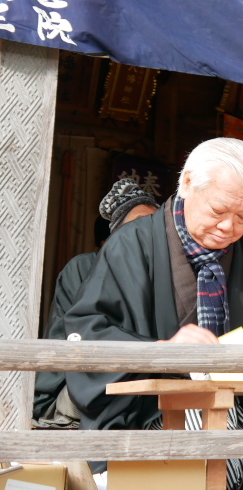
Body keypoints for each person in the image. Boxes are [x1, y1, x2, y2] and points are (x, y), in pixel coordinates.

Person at [64, 138, 243, 490]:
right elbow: (86, 330)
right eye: (218, 211)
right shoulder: (131, 245)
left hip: (233, 406)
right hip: (146, 412)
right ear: (186, 184)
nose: (229, 227)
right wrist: (162, 349)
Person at [33, 178, 159, 428]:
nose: (147, 234)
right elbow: (81, 335)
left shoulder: (164, 273)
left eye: (154, 227)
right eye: (138, 226)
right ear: (116, 236)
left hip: (146, 384)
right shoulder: (83, 267)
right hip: (86, 380)